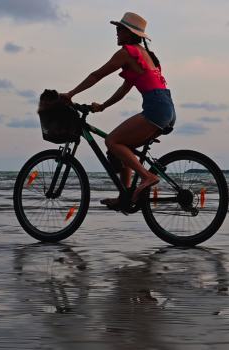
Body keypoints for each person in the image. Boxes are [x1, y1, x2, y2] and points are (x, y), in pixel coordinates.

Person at [61, 12, 176, 207]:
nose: (116, 32)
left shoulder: (127, 52)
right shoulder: (145, 55)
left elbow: (97, 75)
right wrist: (103, 106)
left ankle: (147, 177)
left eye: (120, 29)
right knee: (123, 148)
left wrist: (70, 94)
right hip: (167, 108)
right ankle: (126, 196)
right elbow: (123, 90)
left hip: (156, 108)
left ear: (130, 34)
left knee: (112, 140)